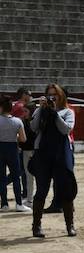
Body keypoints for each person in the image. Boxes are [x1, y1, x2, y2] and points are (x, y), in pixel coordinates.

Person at [31, 84, 77, 238]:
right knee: (41, 190)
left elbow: (66, 130)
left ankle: (70, 225)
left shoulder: (68, 112)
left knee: (65, 189)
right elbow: (33, 127)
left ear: (61, 96)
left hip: (61, 154)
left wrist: (55, 114)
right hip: (43, 153)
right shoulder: (40, 110)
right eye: (49, 95)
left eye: (55, 94)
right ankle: (36, 226)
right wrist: (41, 109)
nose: (52, 97)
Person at [0, 95, 29, 212]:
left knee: (1, 177)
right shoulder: (17, 121)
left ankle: (4, 204)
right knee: (16, 177)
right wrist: (14, 136)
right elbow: (23, 139)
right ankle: (18, 203)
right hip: (12, 148)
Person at [11, 88, 34, 206]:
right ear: (23, 95)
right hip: (25, 147)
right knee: (24, 172)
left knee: (23, 171)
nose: (31, 96)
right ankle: (26, 194)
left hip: (22, 146)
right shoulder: (21, 108)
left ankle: (27, 195)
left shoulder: (16, 106)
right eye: (29, 94)